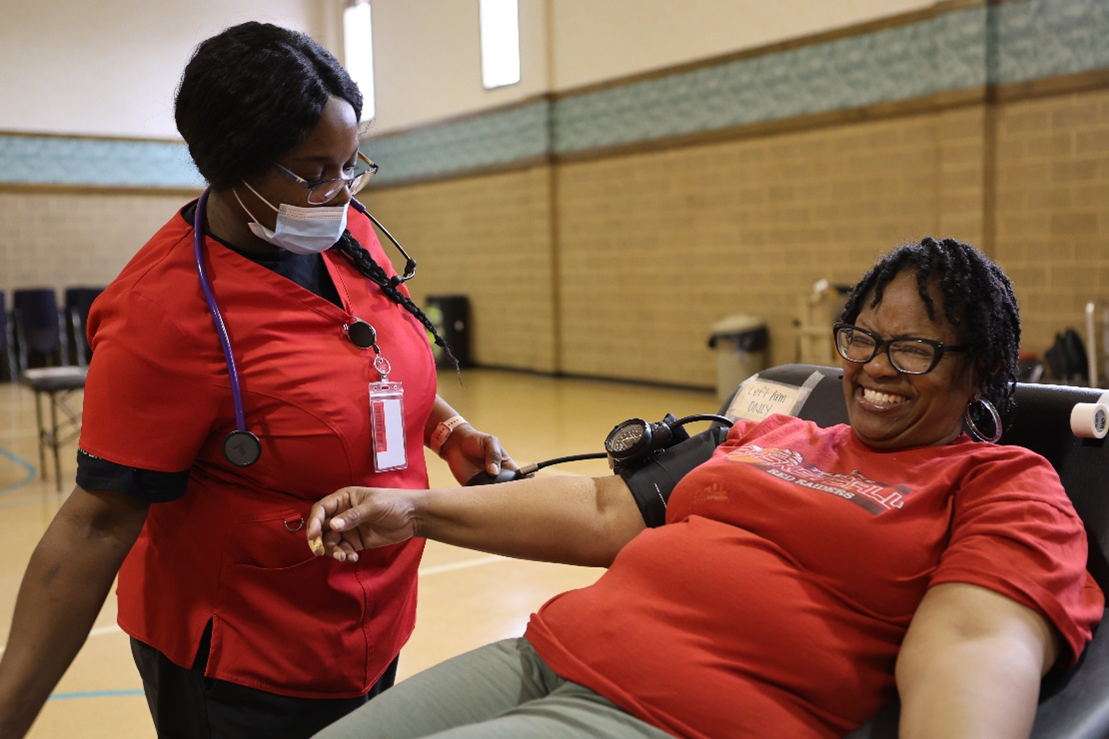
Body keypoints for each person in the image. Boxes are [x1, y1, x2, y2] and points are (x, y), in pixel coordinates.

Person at [305, 237, 1104, 739]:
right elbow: (600, 509)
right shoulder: (776, 434)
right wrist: (412, 510)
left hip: (670, 715)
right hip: (542, 657)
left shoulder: (1004, 485)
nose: (872, 367)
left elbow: (969, 650)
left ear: (983, 375)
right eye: (861, 337)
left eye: (914, 349)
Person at [0, 21, 514, 739]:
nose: (339, 192)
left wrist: (445, 428)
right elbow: (95, 523)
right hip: (245, 655)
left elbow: (373, 361)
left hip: (368, 620)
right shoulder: (163, 315)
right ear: (231, 165)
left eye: (351, 164)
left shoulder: (344, 232)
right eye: (313, 171)